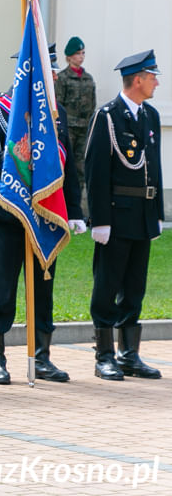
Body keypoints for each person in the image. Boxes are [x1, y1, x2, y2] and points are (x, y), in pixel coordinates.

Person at [0, 44, 85, 385]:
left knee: (43, 287)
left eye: (51, 70)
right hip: (10, 209)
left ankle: (42, 356)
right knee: (2, 285)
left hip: (46, 212)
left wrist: (76, 210)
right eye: (45, 70)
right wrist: (19, 165)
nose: (51, 76)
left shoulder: (57, 113)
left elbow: (68, 163)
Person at [85, 50, 164, 381]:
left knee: (135, 285)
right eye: (152, 77)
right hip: (116, 216)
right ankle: (104, 354)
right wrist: (100, 219)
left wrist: (157, 213)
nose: (157, 82)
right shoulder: (107, 116)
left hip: (143, 215)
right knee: (108, 284)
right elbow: (95, 170)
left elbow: (155, 168)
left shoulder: (151, 116)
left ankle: (129, 353)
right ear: (137, 80)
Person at [56, 36, 96, 188]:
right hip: (69, 128)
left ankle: (76, 202)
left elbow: (92, 104)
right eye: (78, 53)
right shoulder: (62, 78)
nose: (81, 56)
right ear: (69, 56)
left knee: (81, 166)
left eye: (83, 53)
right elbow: (59, 104)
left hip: (84, 128)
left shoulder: (88, 78)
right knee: (65, 163)